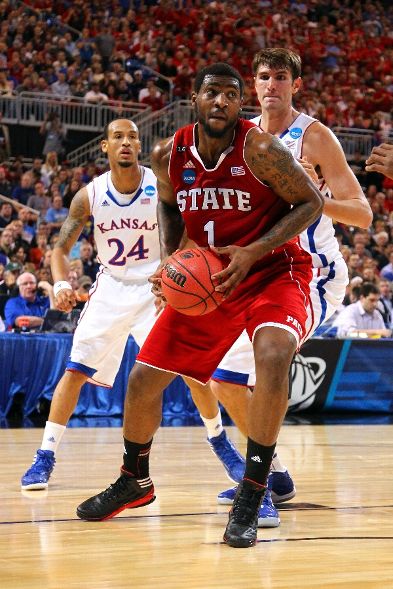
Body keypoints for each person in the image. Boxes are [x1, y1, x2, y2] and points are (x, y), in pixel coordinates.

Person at [75, 63, 324, 549]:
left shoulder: (261, 149)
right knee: (144, 378)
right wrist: (171, 261)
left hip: (274, 272)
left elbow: (310, 203)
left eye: (233, 95)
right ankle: (135, 479)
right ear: (194, 98)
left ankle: (253, 491)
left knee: (272, 354)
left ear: (239, 104)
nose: (223, 102)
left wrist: (254, 250)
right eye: (213, 93)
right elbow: (168, 206)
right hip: (212, 277)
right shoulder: (169, 153)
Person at [205, 48, 373, 514]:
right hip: (264, 271)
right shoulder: (242, 137)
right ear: (252, 87)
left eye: (281, 77)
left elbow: (362, 212)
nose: (272, 85)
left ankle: (256, 489)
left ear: (295, 85)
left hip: (314, 272)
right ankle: (274, 475)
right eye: (264, 77)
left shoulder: (315, 137)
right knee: (223, 380)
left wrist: (310, 195)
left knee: (260, 364)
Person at [20, 119, 218, 494]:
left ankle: (219, 442)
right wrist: (62, 282)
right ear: (104, 147)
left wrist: (176, 262)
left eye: (132, 137)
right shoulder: (89, 195)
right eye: (118, 137)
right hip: (110, 288)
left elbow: (192, 224)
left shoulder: (159, 183)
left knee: (194, 371)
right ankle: (44, 456)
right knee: (75, 370)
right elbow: (59, 249)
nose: (126, 142)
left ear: (139, 147)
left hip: (157, 288)